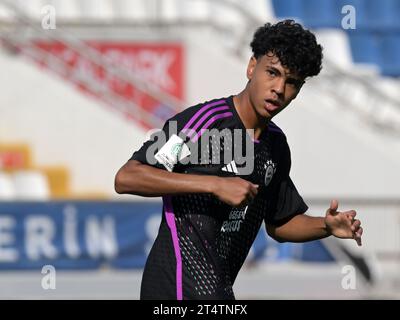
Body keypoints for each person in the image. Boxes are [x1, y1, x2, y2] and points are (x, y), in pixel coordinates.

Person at [115, 19, 363, 300]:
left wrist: (325, 226)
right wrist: (214, 184)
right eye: (272, 72)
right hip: (175, 290)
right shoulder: (203, 125)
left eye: (291, 82)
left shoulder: (275, 146)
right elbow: (128, 177)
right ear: (251, 67)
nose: (279, 89)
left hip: (218, 292)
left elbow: (279, 224)